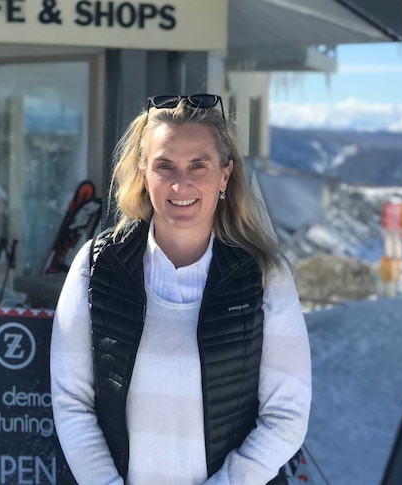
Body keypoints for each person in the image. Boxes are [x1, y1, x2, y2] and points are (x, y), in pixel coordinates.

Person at [50, 94, 311, 485]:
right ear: (142, 172)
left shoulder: (264, 277)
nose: (180, 182)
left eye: (198, 166)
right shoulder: (96, 266)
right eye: (165, 165)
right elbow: (72, 402)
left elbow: (286, 415)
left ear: (225, 175)